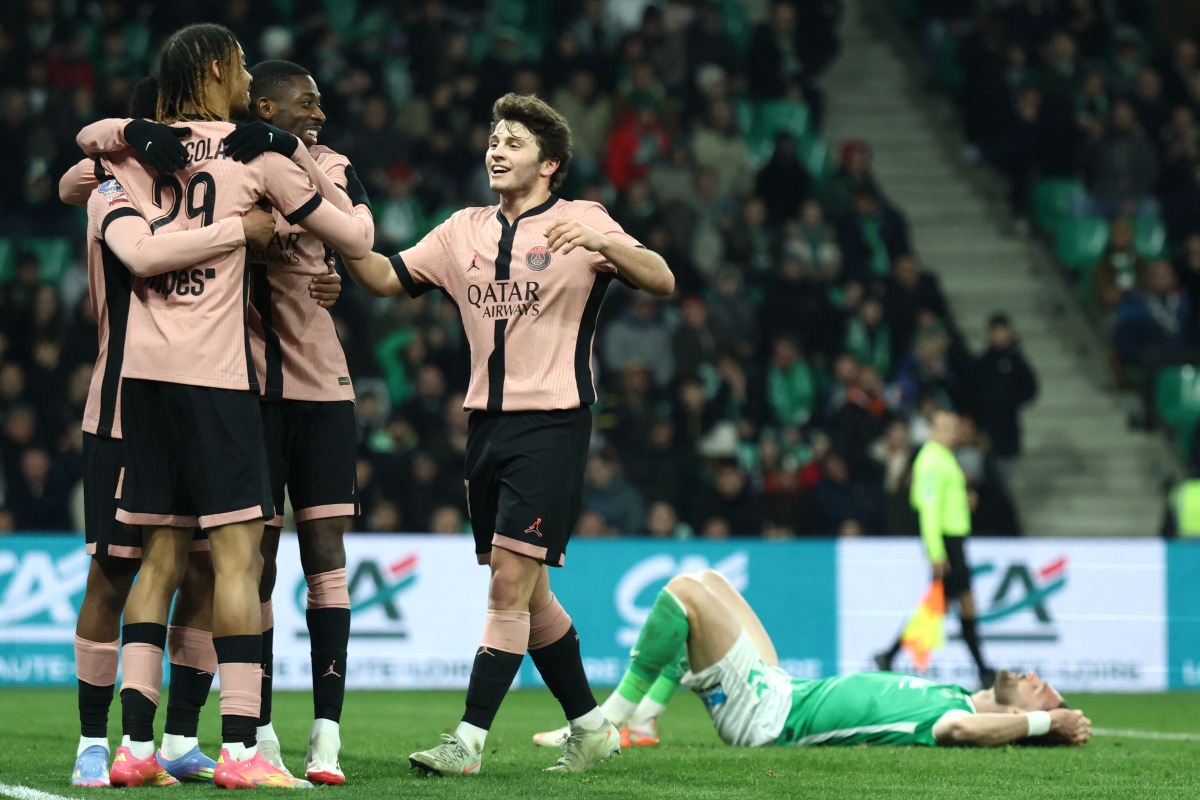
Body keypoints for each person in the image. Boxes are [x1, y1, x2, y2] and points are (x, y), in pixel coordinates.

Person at [68, 22, 371, 790]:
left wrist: (125, 127)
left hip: (141, 381)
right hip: (216, 375)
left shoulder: (130, 156)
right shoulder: (259, 152)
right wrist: (278, 172)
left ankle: (137, 747)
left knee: (161, 558)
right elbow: (357, 233)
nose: (245, 81)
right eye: (238, 67)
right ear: (216, 71)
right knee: (238, 556)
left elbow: (80, 171)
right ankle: (242, 749)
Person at [338, 92, 673, 775]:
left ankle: (466, 742)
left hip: (554, 422)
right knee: (529, 592)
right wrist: (330, 218)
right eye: (493, 138)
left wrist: (606, 242)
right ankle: (590, 726)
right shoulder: (460, 230)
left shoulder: (582, 220)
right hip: (485, 427)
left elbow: (662, 279)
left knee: (508, 586)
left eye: (514, 142)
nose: (496, 149)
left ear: (549, 164)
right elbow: (380, 276)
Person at [61, 75, 277, 788]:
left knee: (208, 569)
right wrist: (120, 135)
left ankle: (180, 735)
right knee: (114, 570)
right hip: (123, 408)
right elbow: (86, 187)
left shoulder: (195, 187)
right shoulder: (112, 189)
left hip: (189, 397)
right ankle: (97, 740)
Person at [229, 58, 375, 786]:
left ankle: (327, 732)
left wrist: (339, 264)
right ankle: (256, 726)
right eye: (305, 103)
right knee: (253, 560)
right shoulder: (226, 163)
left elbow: (362, 230)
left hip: (322, 386)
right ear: (264, 104)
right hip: (244, 388)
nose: (318, 113)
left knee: (325, 552)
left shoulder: (331, 164)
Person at [535, 569, 1090, 750]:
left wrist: (1048, 723)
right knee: (713, 581)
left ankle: (604, 724)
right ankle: (645, 721)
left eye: (1044, 690)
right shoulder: (951, 694)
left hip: (768, 718)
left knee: (683, 593)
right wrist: (1044, 715)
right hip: (783, 690)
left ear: (1023, 717)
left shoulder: (950, 719)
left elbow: (968, 732)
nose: (1034, 677)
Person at [874, 410, 995, 687]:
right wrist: (936, 552)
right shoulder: (931, 460)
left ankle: (889, 655)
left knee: (946, 605)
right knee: (950, 605)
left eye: (955, 427)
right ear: (933, 431)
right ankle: (983, 670)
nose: (953, 432)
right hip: (946, 541)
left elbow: (943, 501)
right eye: (947, 427)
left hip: (953, 540)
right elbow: (928, 508)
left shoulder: (943, 458)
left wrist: (965, 501)